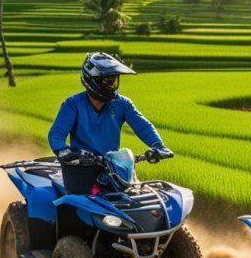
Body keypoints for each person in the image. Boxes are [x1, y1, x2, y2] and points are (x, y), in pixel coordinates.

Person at [48, 52, 173, 191]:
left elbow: (142, 126)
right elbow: (57, 133)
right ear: (92, 80)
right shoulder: (73, 104)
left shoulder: (122, 103)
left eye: (113, 80)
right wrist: (63, 151)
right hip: (81, 169)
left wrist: (158, 145)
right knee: (76, 204)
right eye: (106, 81)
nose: (111, 86)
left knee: (135, 193)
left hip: (114, 167)